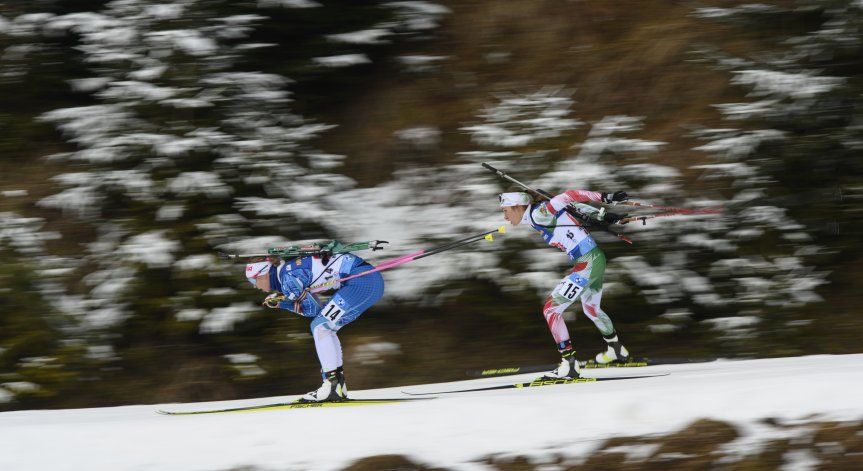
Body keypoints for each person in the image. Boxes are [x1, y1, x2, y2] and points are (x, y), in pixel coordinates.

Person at [499, 186, 631, 379]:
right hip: (595, 259)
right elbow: (575, 207)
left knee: (550, 310)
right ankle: (617, 351)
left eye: (505, 211)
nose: (505, 217)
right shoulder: (536, 213)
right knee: (592, 309)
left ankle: (569, 364)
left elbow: (570, 195)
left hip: (587, 263)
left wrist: (605, 197)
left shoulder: (539, 213)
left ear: (518, 206)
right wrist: (604, 215)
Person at [245, 249, 384, 402]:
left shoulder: (287, 279)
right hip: (367, 280)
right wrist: (283, 301)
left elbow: (313, 310)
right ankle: (337, 385)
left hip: (363, 282)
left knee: (320, 327)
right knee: (326, 328)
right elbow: (317, 308)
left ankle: (332, 386)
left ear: (263, 274)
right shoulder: (287, 272)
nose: (254, 286)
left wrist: (283, 304)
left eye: (253, 281)